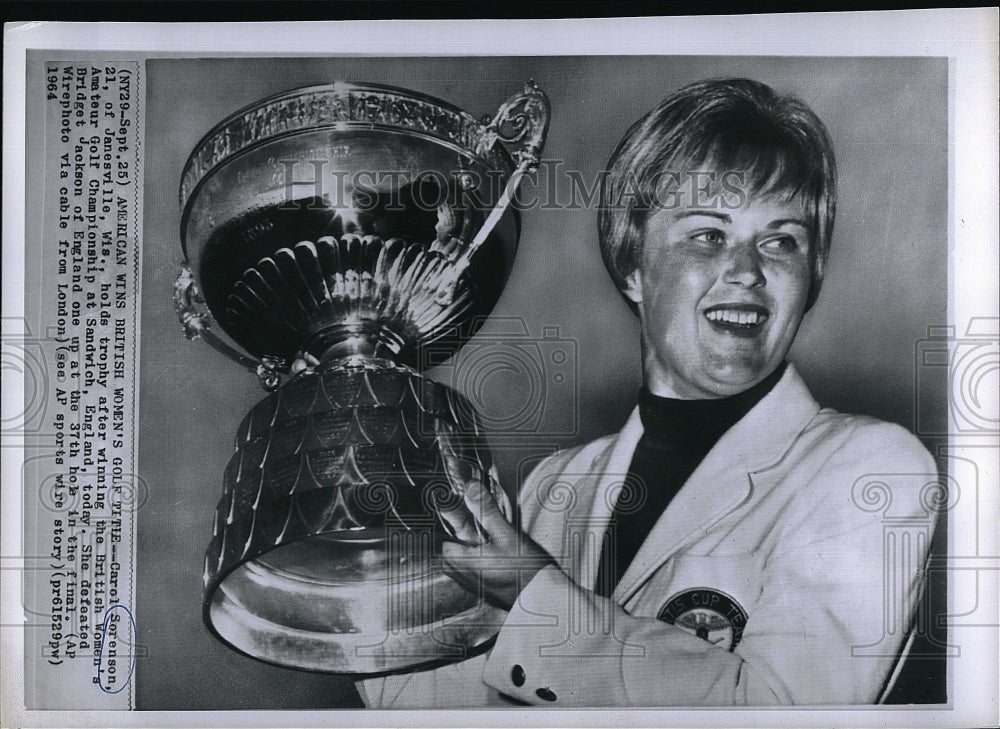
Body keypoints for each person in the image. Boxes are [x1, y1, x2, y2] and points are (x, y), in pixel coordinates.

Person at [357, 77, 937, 707]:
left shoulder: (872, 469)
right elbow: (434, 711)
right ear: (633, 266)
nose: (748, 271)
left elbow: (785, 712)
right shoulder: (556, 486)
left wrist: (534, 595)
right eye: (709, 235)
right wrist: (363, 516)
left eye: (782, 241)